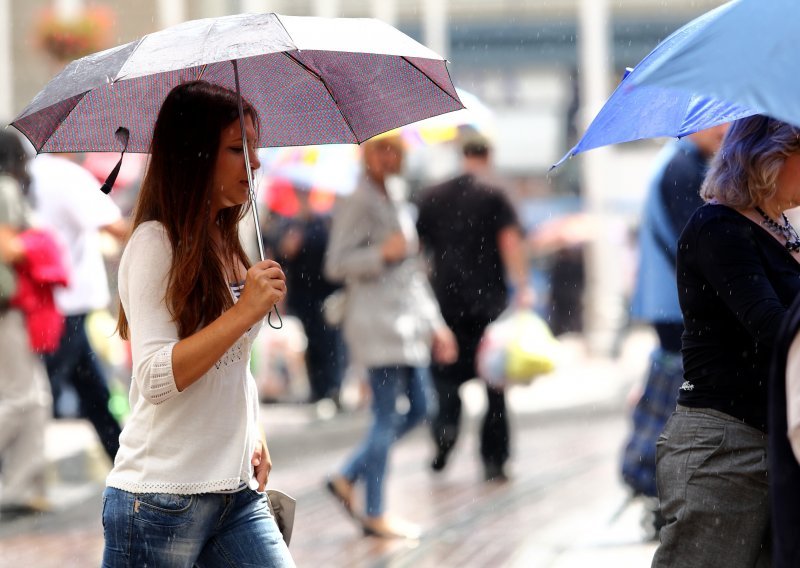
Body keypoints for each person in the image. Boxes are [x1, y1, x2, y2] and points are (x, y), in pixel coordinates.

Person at [101, 81, 294, 567]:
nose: (253, 164)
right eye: (236, 149)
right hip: (160, 500)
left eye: (254, 150)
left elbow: (231, 365)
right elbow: (156, 377)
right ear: (195, 155)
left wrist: (254, 430)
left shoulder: (230, 242)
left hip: (235, 491)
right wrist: (245, 311)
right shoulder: (154, 245)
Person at [652, 115, 800, 568]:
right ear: (770, 158)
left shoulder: (785, 228)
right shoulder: (718, 226)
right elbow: (775, 329)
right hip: (725, 444)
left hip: (770, 438)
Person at [323, 134, 457, 539]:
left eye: (395, 150)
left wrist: (436, 324)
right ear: (366, 154)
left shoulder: (397, 196)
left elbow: (412, 273)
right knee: (385, 414)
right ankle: (376, 510)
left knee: (422, 405)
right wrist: (381, 253)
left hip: (406, 323)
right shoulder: (357, 200)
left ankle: (348, 474)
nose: (389, 158)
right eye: (381, 149)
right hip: (376, 323)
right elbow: (335, 264)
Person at [621, 125, 726, 533]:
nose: (724, 128)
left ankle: (655, 481)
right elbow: (693, 240)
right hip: (678, 306)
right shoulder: (682, 167)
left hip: (671, 303)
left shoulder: (678, 160)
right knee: (680, 400)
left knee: (673, 394)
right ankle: (654, 480)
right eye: (714, 119)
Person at [415, 135, 532, 482]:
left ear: (462, 154)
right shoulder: (495, 195)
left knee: (445, 379)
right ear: (489, 155)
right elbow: (510, 243)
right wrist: (523, 287)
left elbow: (419, 250)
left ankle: (445, 433)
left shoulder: (432, 195)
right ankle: (494, 458)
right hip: (488, 305)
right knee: (494, 385)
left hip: (444, 303)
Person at [28, 151, 126, 461]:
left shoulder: (34, 171)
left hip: (49, 300)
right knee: (43, 390)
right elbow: (116, 227)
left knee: (90, 388)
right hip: (68, 301)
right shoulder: (67, 176)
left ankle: (123, 458)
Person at [0, 130, 53, 516]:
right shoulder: (3, 190)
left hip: (13, 306)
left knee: (33, 397)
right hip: (7, 306)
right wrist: (40, 244)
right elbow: (7, 246)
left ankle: (20, 487)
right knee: (22, 398)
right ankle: (17, 487)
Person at [271, 187, 344, 406]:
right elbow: (280, 257)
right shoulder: (289, 225)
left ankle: (333, 387)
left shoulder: (324, 222)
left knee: (330, 342)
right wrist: (286, 248)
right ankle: (318, 389)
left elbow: (332, 253)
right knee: (309, 344)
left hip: (325, 292)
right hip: (302, 295)